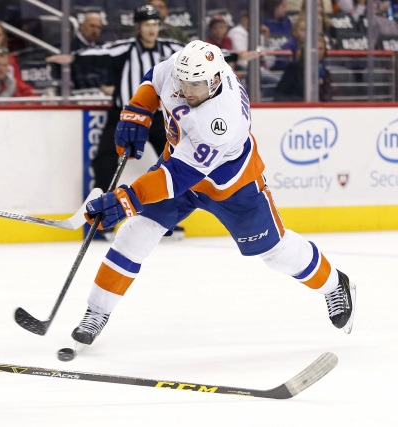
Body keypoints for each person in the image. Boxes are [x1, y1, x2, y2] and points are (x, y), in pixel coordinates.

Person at [69, 40, 355, 349]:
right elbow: (155, 78)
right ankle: (96, 312)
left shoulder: (221, 120)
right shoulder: (186, 65)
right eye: (184, 82)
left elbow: (178, 177)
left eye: (196, 85)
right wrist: (137, 111)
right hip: (178, 166)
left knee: (274, 253)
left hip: (232, 187)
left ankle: (334, 283)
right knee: (135, 234)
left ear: (216, 80)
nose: (187, 90)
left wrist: (126, 199)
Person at [47, 4, 186, 240]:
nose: (152, 29)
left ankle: (169, 218)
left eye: (155, 24)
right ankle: (104, 219)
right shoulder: (125, 49)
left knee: (174, 164)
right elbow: (98, 54)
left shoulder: (171, 50)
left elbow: (200, 54)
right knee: (105, 162)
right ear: (138, 27)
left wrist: (233, 56)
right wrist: (71, 58)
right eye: (147, 25)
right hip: (125, 116)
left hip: (159, 117)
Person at [274, 36, 333, 102]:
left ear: (325, 51)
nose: (317, 52)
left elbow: (327, 96)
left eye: (320, 49)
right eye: (314, 48)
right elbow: (280, 95)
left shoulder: (324, 72)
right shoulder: (294, 68)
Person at [70, 9, 108, 91]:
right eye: (92, 26)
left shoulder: (103, 48)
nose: (95, 31)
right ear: (82, 26)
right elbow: (79, 76)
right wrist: (101, 88)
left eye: (98, 28)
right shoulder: (70, 47)